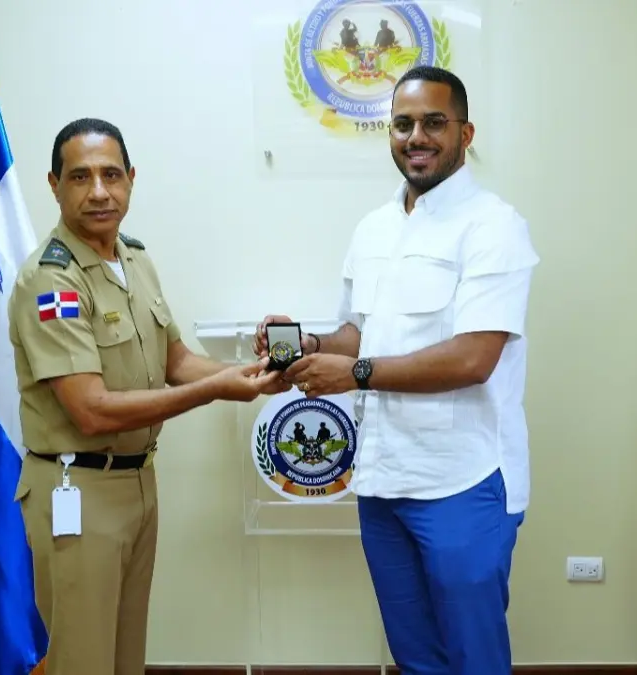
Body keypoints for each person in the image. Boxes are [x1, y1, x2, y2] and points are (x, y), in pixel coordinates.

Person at [253, 66, 539, 674]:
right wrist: (310, 343)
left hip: (462, 481)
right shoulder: (374, 228)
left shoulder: (494, 226)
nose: (417, 137)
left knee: (474, 659)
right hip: (383, 480)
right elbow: (358, 333)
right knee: (415, 657)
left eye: (434, 122)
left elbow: (474, 358)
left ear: (465, 133)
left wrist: (354, 373)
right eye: (403, 124)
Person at [9, 117, 282, 675]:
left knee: (125, 657)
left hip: (137, 485)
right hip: (79, 489)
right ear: (54, 185)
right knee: (83, 663)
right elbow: (90, 410)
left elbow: (175, 361)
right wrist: (215, 390)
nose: (99, 191)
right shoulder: (52, 280)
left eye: (111, 175)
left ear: (131, 179)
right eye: (80, 177)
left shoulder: (134, 259)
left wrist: (251, 373)